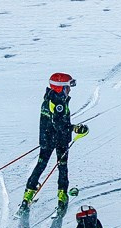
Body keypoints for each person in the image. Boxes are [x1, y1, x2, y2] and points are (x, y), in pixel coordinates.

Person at [22, 72, 88, 208]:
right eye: (68, 87)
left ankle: (28, 193)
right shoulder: (59, 103)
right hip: (59, 141)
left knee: (41, 165)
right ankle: (62, 195)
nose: (69, 90)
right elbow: (60, 125)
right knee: (62, 166)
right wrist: (75, 128)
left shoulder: (49, 97)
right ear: (61, 88)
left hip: (46, 139)